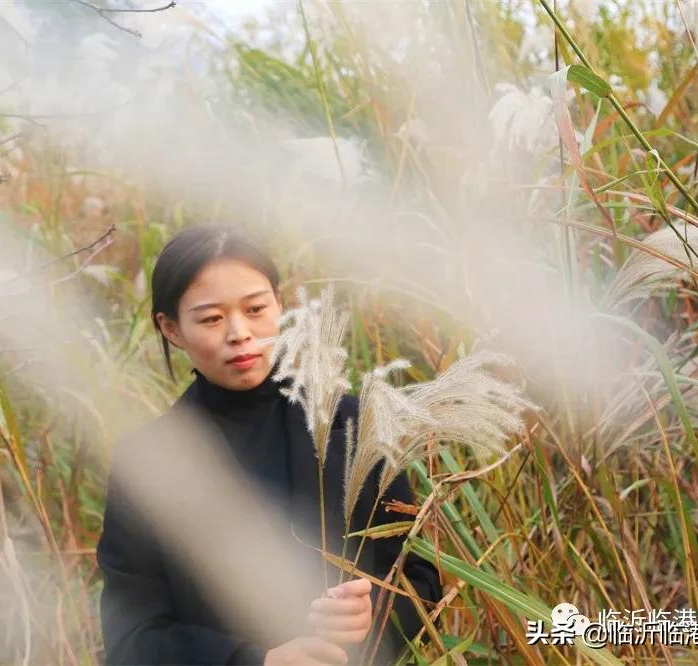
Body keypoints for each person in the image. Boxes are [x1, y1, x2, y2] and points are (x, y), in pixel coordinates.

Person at [96, 223, 442, 665]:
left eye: (256, 308)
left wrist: (373, 615)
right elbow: (132, 641)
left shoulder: (355, 423)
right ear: (171, 328)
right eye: (211, 318)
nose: (239, 332)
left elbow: (422, 581)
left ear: (280, 303)